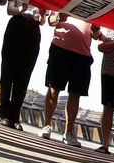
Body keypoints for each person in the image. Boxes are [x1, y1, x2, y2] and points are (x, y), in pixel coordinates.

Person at [41, 12, 99, 147]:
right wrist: (60, 17)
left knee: (75, 94)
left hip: (83, 55)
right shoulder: (65, 0)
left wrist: (95, 30)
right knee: (54, 88)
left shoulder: (94, 7)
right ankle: (47, 126)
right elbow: (50, 20)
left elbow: (95, 36)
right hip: (60, 49)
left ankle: (68, 133)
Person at [0, 0, 44, 130]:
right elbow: (10, 9)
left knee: (24, 74)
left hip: (33, 30)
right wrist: (22, 9)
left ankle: (15, 115)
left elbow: (42, 21)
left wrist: (41, 15)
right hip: (16, 24)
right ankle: (4, 113)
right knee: (8, 70)